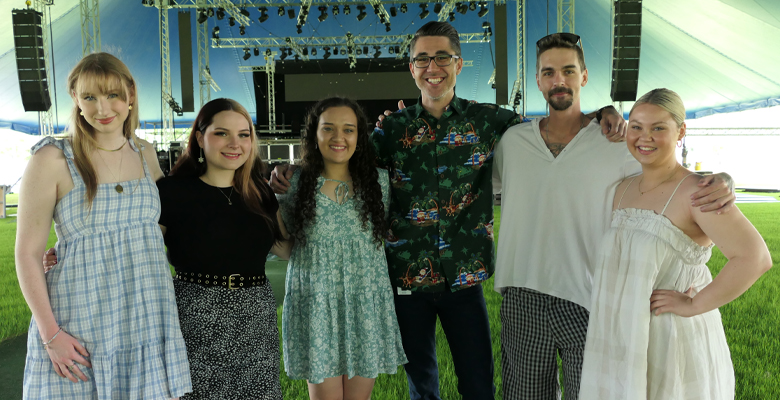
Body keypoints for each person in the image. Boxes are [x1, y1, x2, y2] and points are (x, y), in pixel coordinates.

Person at [273, 22, 625, 400]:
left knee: (478, 386)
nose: (432, 66)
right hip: (407, 280)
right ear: (412, 68)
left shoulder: (492, 121)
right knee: (422, 388)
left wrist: (602, 112)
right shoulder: (391, 129)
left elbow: (555, 124)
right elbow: (341, 157)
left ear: (459, 63)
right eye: (422, 58)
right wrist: (292, 171)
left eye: (442, 56)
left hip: (465, 280)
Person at [493, 35, 736, 400]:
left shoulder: (616, 143)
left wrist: (723, 180)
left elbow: (667, 171)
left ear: (584, 76)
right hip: (522, 295)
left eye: (568, 70)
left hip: (592, 298)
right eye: (549, 72)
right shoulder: (511, 142)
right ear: (539, 80)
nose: (559, 80)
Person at [15, 52, 191, 399]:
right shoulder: (52, 157)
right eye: (90, 97)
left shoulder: (145, 153)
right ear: (76, 100)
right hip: (80, 324)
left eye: (112, 94)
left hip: (147, 318)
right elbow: (27, 253)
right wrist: (51, 335)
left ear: (131, 94)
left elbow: (159, 227)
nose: (102, 108)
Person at [578, 88, 771, 400]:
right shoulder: (622, 188)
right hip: (620, 332)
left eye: (659, 128)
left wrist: (695, 304)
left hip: (670, 338)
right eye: (637, 126)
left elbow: (755, 257)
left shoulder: (698, 192)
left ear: (681, 131)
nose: (645, 137)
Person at [276, 97, 407, 400]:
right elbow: (286, 248)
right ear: (314, 134)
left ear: (360, 136)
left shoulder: (382, 184)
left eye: (349, 129)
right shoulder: (294, 185)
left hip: (365, 308)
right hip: (317, 309)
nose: (339, 138)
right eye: (328, 129)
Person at [158, 98, 290, 399]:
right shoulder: (171, 192)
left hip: (255, 317)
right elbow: (139, 251)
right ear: (200, 138)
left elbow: (287, 249)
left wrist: (308, 190)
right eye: (222, 133)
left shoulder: (261, 192)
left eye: (244, 134)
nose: (235, 143)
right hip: (195, 318)